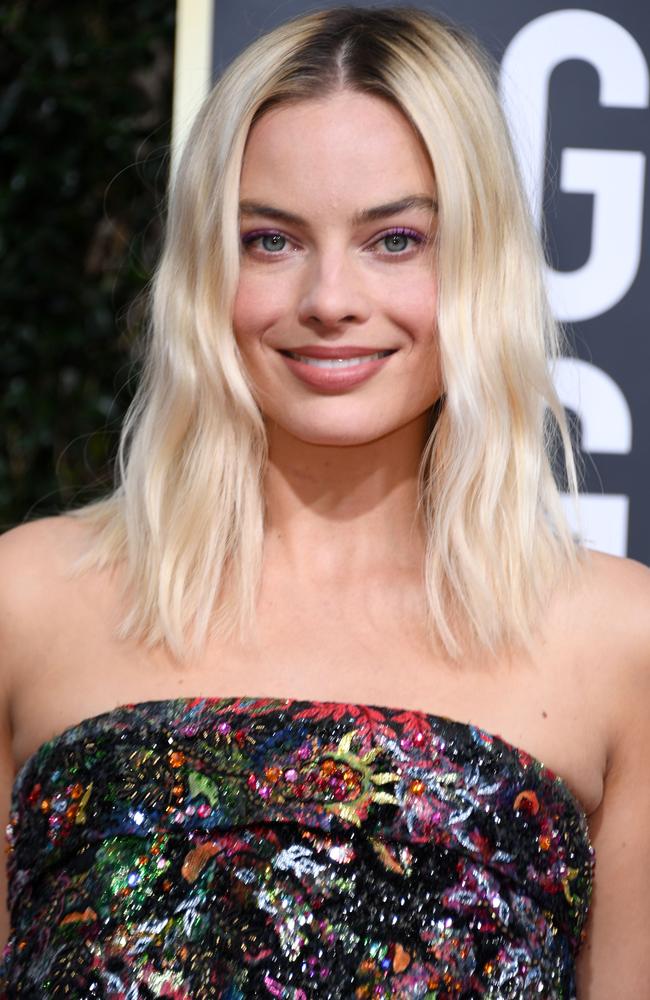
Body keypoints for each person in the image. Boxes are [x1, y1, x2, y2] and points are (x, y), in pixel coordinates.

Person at [0, 5, 648, 997]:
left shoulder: (617, 645)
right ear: (204, 270)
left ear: (479, 265)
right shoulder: (27, 604)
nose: (329, 297)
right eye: (270, 240)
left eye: (394, 240)